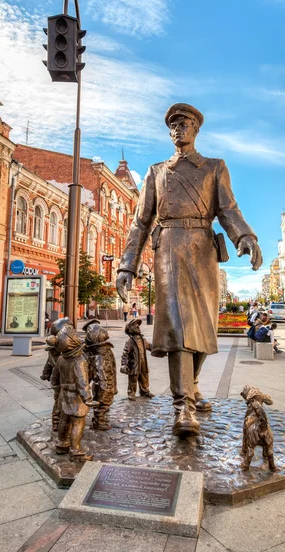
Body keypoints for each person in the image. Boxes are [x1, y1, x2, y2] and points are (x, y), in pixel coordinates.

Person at [116, 103, 262, 438]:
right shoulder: (156, 171)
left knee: (203, 327)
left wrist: (246, 236)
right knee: (178, 327)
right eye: (173, 126)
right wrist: (128, 264)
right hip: (168, 249)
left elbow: (228, 209)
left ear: (196, 129)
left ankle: (192, 385)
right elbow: (140, 223)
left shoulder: (214, 167)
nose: (178, 130)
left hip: (202, 249)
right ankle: (183, 405)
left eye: (184, 124)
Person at [50, 323, 98, 461]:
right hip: (76, 396)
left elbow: (55, 378)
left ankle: (61, 444)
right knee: (78, 422)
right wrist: (87, 398)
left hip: (64, 395)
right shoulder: (79, 360)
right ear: (71, 341)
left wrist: (57, 390)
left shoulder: (60, 358)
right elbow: (82, 382)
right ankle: (76, 451)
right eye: (75, 335)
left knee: (64, 420)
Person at [83, 319, 117, 430]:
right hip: (104, 383)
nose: (105, 332)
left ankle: (101, 418)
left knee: (106, 401)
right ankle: (99, 421)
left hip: (108, 380)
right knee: (103, 402)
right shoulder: (98, 353)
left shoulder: (103, 349)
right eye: (102, 331)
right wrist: (103, 384)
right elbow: (99, 370)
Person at [120, 318, 154, 401]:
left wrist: (159, 349)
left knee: (144, 377)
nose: (138, 326)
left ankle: (145, 391)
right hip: (134, 364)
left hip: (143, 363)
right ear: (131, 329)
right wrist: (124, 364)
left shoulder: (143, 340)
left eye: (138, 325)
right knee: (133, 380)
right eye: (136, 325)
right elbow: (125, 354)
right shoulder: (130, 342)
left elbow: (150, 347)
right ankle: (131, 393)